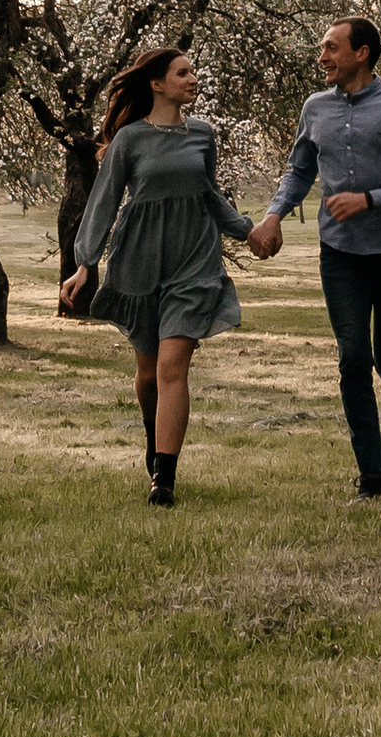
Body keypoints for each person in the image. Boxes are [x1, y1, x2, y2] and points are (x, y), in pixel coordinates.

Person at [248, 15, 381, 497]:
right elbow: (298, 171)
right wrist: (273, 215)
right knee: (353, 358)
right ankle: (372, 475)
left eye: (332, 48)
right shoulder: (315, 108)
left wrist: (370, 198)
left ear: (362, 53)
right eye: (323, 48)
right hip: (340, 255)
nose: (322, 57)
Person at [59, 44, 263, 505]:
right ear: (157, 83)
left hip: (194, 262)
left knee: (173, 367)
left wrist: (247, 232)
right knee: (148, 372)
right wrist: (84, 263)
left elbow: (209, 195)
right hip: (140, 261)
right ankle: (154, 441)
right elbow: (105, 201)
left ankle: (164, 480)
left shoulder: (203, 135)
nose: (193, 79)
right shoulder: (130, 139)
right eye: (182, 73)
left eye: (193, 72)